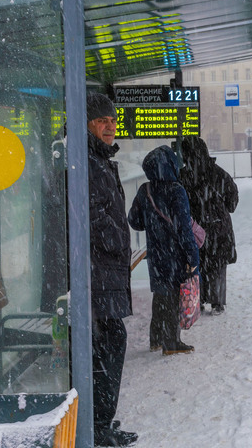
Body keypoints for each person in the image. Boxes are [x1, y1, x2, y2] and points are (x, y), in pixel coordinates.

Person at [86, 92, 138, 447]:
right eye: (101, 120)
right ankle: (97, 426)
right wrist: (116, 239)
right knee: (108, 343)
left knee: (108, 344)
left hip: (104, 272)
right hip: (95, 273)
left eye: (112, 120)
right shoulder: (86, 161)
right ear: (87, 123)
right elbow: (89, 214)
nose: (109, 126)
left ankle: (100, 421)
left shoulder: (99, 160)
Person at [128, 145, 200, 354]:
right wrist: (192, 256)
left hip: (156, 254)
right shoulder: (177, 190)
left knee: (160, 295)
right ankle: (171, 343)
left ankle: (156, 338)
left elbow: (134, 220)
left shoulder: (145, 190)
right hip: (175, 254)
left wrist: (152, 226)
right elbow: (184, 228)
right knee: (172, 297)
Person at [180, 137, 239, 315]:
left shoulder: (182, 176)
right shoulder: (218, 173)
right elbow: (232, 200)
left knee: (197, 263)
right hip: (218, 229)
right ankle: (217, 302)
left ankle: (197, 299)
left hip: (195, 229)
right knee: (218, 264)